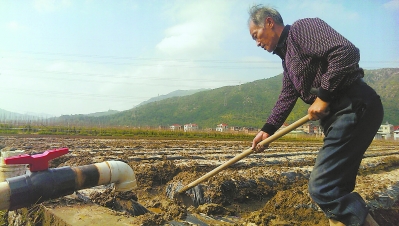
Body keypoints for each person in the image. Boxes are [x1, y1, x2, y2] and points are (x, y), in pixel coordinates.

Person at [248, 5, 383, 226]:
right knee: (334, 188)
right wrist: (267, 130)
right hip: (339, 116)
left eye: (256, 35)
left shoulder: (301, 29)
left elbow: (346, 51)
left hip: (353, 106)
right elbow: (288, 94)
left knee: (323, 186)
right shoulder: (287, 57)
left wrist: (324, 95)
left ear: (270, 23)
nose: (257, 43)